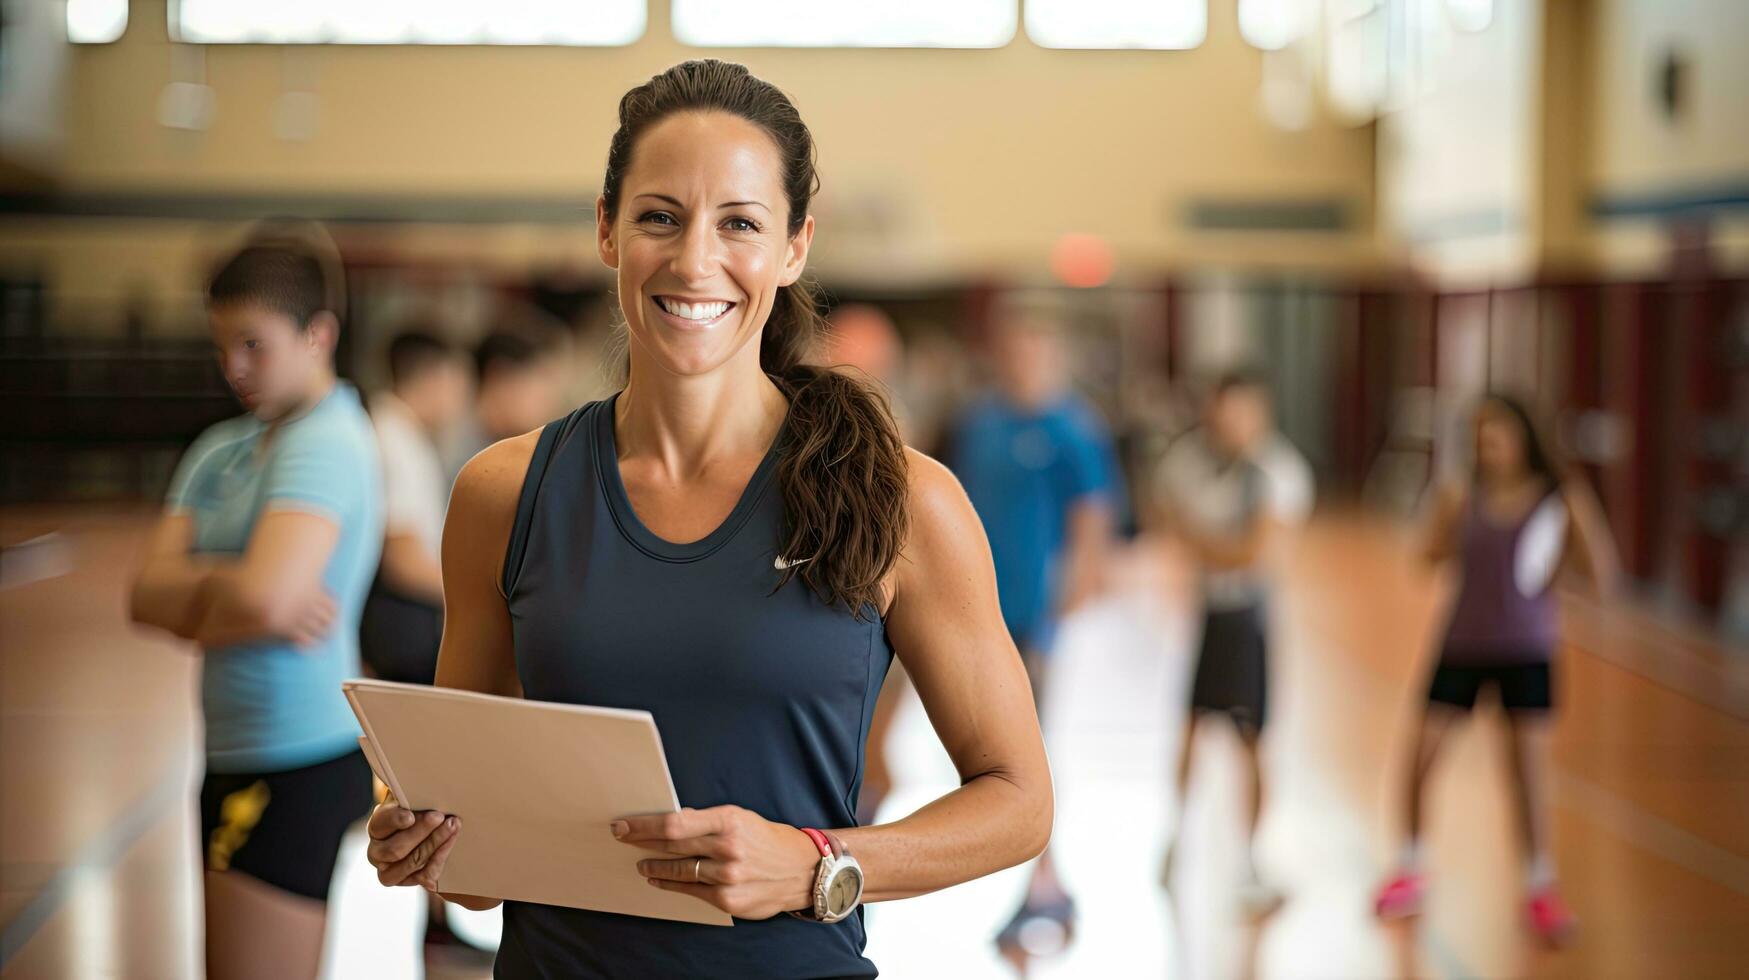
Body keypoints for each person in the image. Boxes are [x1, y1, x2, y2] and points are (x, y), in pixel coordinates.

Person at [361, 59, 1053, 978]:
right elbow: (476, 872)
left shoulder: (903, 498)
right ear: (607, 230)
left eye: (739, 224)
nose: (695, 261)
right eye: (658, 216)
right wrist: (421, 836)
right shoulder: (505, 494)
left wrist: (818, 865)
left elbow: (1018, 801)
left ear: (795, 246)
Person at [127, 238, 382, 979]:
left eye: (253, 345)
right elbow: (143, 595)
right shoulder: (220, 449)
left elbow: (267, 599)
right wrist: (231, 592)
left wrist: (207, 593)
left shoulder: (326, 440)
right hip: (230, 751)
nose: (232, 368)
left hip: (292, 757)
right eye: (221, 346)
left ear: (318, 335)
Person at [1374, 394, 1618, 945]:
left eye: (1497, 434)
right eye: (1479, 436)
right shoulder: (1462, 494)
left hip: (1527, 650)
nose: (1487, 445)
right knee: (1421, 755)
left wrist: (1554, 572)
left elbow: (1601, 573)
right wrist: (1442, 517)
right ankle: (1410, 867)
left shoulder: (1560, 498)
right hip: (1461, 645)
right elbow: (1426, 556)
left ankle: (1539, 885)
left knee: (1525, 771)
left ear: (1523, 436)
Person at [948, 309, 1121, 954]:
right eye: (1013, 351)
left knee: (1027, 744)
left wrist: (1069, 602)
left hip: (1034, 617)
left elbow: (1093, 519)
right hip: (975, 611)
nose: (1022, 364)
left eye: (1033, 352)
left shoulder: (1073, 430)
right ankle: (1034, 873)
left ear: (1052, 359)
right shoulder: (982, 422)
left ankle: (1040, 879)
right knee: (981, 743)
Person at [1152, 370, 1313, 912]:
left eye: (1242, 411)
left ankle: (1249, 859)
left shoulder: (1279, 473)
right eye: (1223, 410)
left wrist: (1200, 539)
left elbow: (1252, 554)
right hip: (1210, 616)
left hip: (1250, 619)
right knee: (1192, 727)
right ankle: (1175, 843)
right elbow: (1165, 513)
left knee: (1251, 739)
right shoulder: (1189, 461)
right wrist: (1206, 543)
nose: (1231, 422)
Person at [360, 329, 471, 686]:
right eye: (458, 381)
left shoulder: (395, 429)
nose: (461, 397)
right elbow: (402, 558)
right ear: (433, 376)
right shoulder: (396, 440)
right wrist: (475, 593)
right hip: (398, 626)